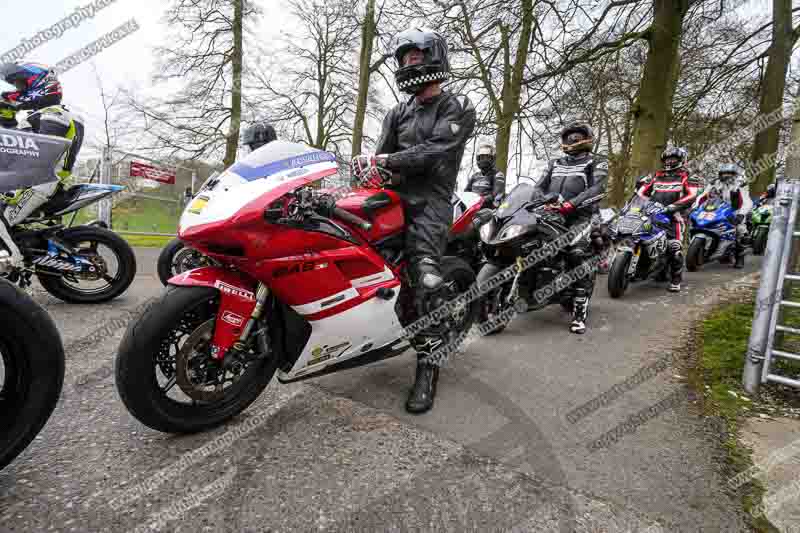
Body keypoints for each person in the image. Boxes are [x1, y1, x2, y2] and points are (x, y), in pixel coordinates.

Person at [350, 28, 476, 414]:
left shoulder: (458, 105)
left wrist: (384, 163)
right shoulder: (396, 112)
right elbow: (380, 158)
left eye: (415, 58)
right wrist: (368, 172)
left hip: (430, 202)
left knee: (426, 277)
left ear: (434, 57)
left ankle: (428, 366)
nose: (408, 64)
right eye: (403, 59)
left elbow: (436, 151)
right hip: (391, 197)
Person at [0, 62, 84, 268]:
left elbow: (39, 151)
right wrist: (7, 121)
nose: (17, 91)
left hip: (41, 182)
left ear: (39, 85)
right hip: (29, 180)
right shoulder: (40, 114)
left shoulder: (54, 113)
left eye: (21, 85)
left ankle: (13, 265)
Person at [533, 120, 608, 335]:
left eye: (576, 136)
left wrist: (571, 204)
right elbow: (539, 186)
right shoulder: (555, 163)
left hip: (582, 216)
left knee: (576, 253)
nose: (572, 140)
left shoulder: (596, 162)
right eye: (569, 137)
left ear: (586, 138)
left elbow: (597, 188)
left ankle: (579, 313)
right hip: (552, 214)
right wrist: (540, 199)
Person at [637, 147, 699, 292]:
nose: (670, 161)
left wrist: (673, 207)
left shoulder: (688, 176)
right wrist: (639, 205)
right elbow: (641, 193)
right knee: (638, 238)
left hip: (675, 218)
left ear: (681, 160)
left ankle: (676, 278)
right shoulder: (656, 175)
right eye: (667, 159)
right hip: (652, 214)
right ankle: (639, 269)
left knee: (674, 248)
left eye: (673, 159)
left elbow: (691, 196)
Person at [694, 163, 752, 268]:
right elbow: (702, 196)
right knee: (704, 223)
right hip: (717, 208)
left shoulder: (741, 184)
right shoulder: (714, 183)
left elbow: (747, 201)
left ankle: (739, 257)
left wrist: (741, 214)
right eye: (724, 173)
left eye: (729, 173)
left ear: (735, 175)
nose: (726, 176)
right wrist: (696, 206)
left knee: (741, 231)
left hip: (735, 211)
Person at [465, 143, 505, 208]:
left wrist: (482, 199)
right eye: (481, 157)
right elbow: (466, 193)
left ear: (492, 159)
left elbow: (497, 194)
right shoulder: (474, 176)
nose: (483, 160)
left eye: (486, 157)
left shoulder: (498, 175)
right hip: (472, 208)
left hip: (488, 211)